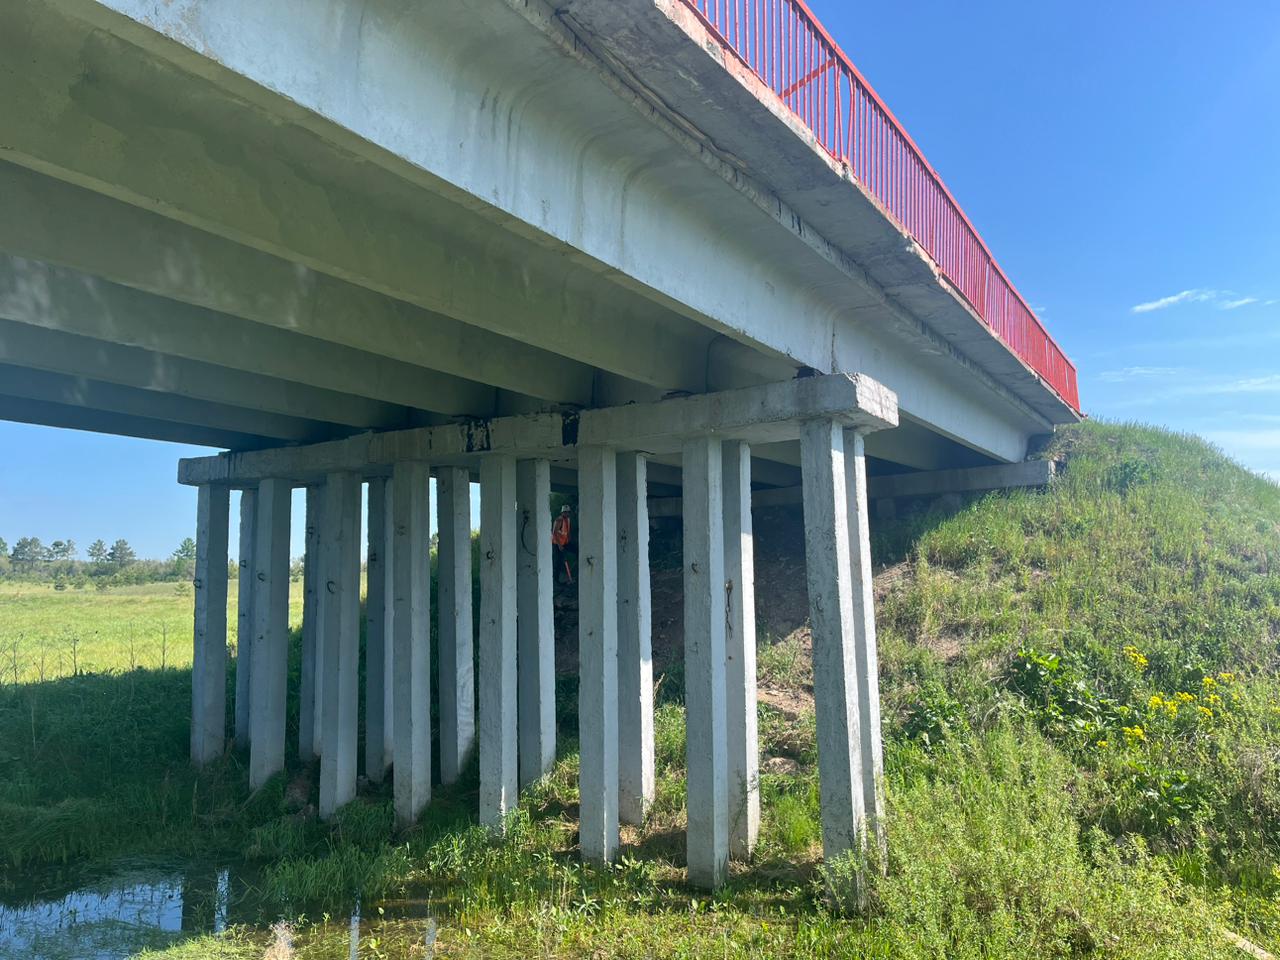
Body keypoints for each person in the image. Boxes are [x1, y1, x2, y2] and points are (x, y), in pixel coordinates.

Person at [551, 504, 573, 584]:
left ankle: (573, 572)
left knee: (577, 550)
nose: (567, 514)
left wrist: (569, 539)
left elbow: (567, 531)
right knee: (558, 562)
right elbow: (554, 533)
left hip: (565, 543)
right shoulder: (559, 520)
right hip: (557, 544)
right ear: (562, 512)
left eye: (568, 512)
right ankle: (556, 581)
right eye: (565, 512)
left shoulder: (568, 520)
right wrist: (559, 545)